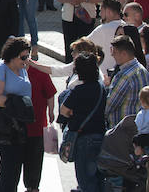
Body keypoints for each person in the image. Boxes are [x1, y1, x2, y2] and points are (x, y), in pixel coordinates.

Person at [0, 37, 33, 192]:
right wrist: (19, 103)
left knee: (15, 159)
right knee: (10, 158)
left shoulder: (22, 67)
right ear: (12, 55)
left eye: (28, 56)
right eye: (23, 57)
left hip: (16, 120)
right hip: (0, 121)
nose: (26, 60)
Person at [59, 52, 107, 192]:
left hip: (83, 138)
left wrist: (74, 113)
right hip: (99, 135)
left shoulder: (78, 90)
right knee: (97, 178)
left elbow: (63, 110)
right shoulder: (101, 88)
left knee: (86, 181)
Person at [105, 34, 149, 129]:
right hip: (138, 126)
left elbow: (109, 105)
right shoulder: (143, 70)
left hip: (121, 129)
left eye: (115, 52)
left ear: (124, 54)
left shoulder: (124, 75)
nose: (112, 54)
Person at [24, 63, 56, 192]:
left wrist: (51, 111)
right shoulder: (12, 69)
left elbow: (50, 93)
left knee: (36, 157)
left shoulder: (40, 71)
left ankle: (33, 186)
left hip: (38, 123)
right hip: (19, 125)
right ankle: (28, 185)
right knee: (26, 157)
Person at [86, 0, 126, 73]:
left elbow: (83, 44)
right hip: (122, 73)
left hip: (105, 75)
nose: (100, 14)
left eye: (101, 10)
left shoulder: (103, 29)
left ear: (108, 11)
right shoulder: (127, 27)